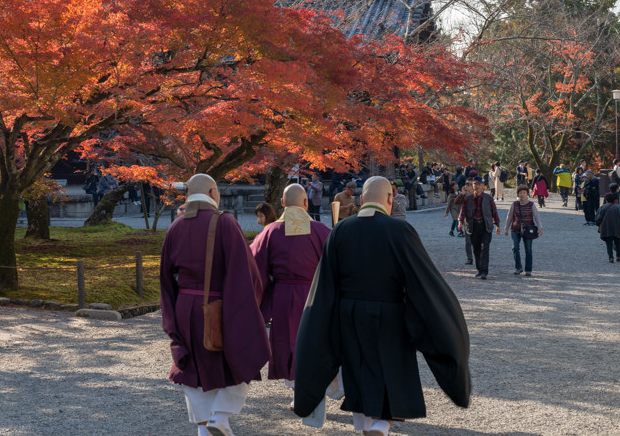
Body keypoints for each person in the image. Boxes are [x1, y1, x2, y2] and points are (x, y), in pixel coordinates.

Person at [293, 176, 471, 435]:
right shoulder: (400, 231)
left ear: (362, 200)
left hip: (349, 314)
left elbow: (325, 285)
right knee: (391, 367)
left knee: (358, 367)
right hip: (391, 313)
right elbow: (423, 281)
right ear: (390, 199)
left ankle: (366, 425)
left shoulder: (341, 230)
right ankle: (382, 423)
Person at [159, 174, 270, 436]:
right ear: (212, 192)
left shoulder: (175, 226)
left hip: (184, 307)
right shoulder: (224, 223)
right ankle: (220, 417)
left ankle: (205, 429)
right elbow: (246, 274)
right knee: (237, 361)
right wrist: (247, 309)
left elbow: (165, 277)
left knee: (193, 369)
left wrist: (172, 316)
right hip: (219, 307)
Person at [249, 185, 330, 411]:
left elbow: (254, 266)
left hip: (283, 296)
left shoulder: (270, 231)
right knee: (315, 342)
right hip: (315, 296)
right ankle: (317, 388)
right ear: (306, 203)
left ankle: (297, 391)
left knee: (288, 342)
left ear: (282, 204)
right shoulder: (321, 230)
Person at [458, 179, 500, 279]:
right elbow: (462, 210)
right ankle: (479, 269)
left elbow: (494, 211)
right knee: (476, 249)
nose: (477, 187)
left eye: (479, 185)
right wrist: (460, 222)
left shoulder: (488, 198)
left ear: (483, 186)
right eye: (475, 185)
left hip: (485, 226)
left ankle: (484, 271)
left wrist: (497, 224)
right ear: (472, 186)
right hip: (473, 226)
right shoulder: (468, 198)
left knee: (485, 247)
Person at [503, 186, 543, 276]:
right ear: (518, 194)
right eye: (520, 193)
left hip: (528, 230)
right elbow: (509, 216)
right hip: (515, 229)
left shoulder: (531, 204)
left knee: (528, 250)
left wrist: (540, 227)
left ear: (527, 194)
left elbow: (536, 216)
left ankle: (528, 269)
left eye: (524, 193)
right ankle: (518, 267)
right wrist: (506, 228)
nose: (522, 194)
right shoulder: (514, 204)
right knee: (515, 248)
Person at [595, 192, 620, 263]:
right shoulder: (618, 208)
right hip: (617, 228)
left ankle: (611, 257)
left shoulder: (602, 207)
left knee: (608, 243)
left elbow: (597, 218)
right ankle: (618, 256)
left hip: (606, 228)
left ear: (606, 200)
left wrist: (598, 224)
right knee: (618, 242)